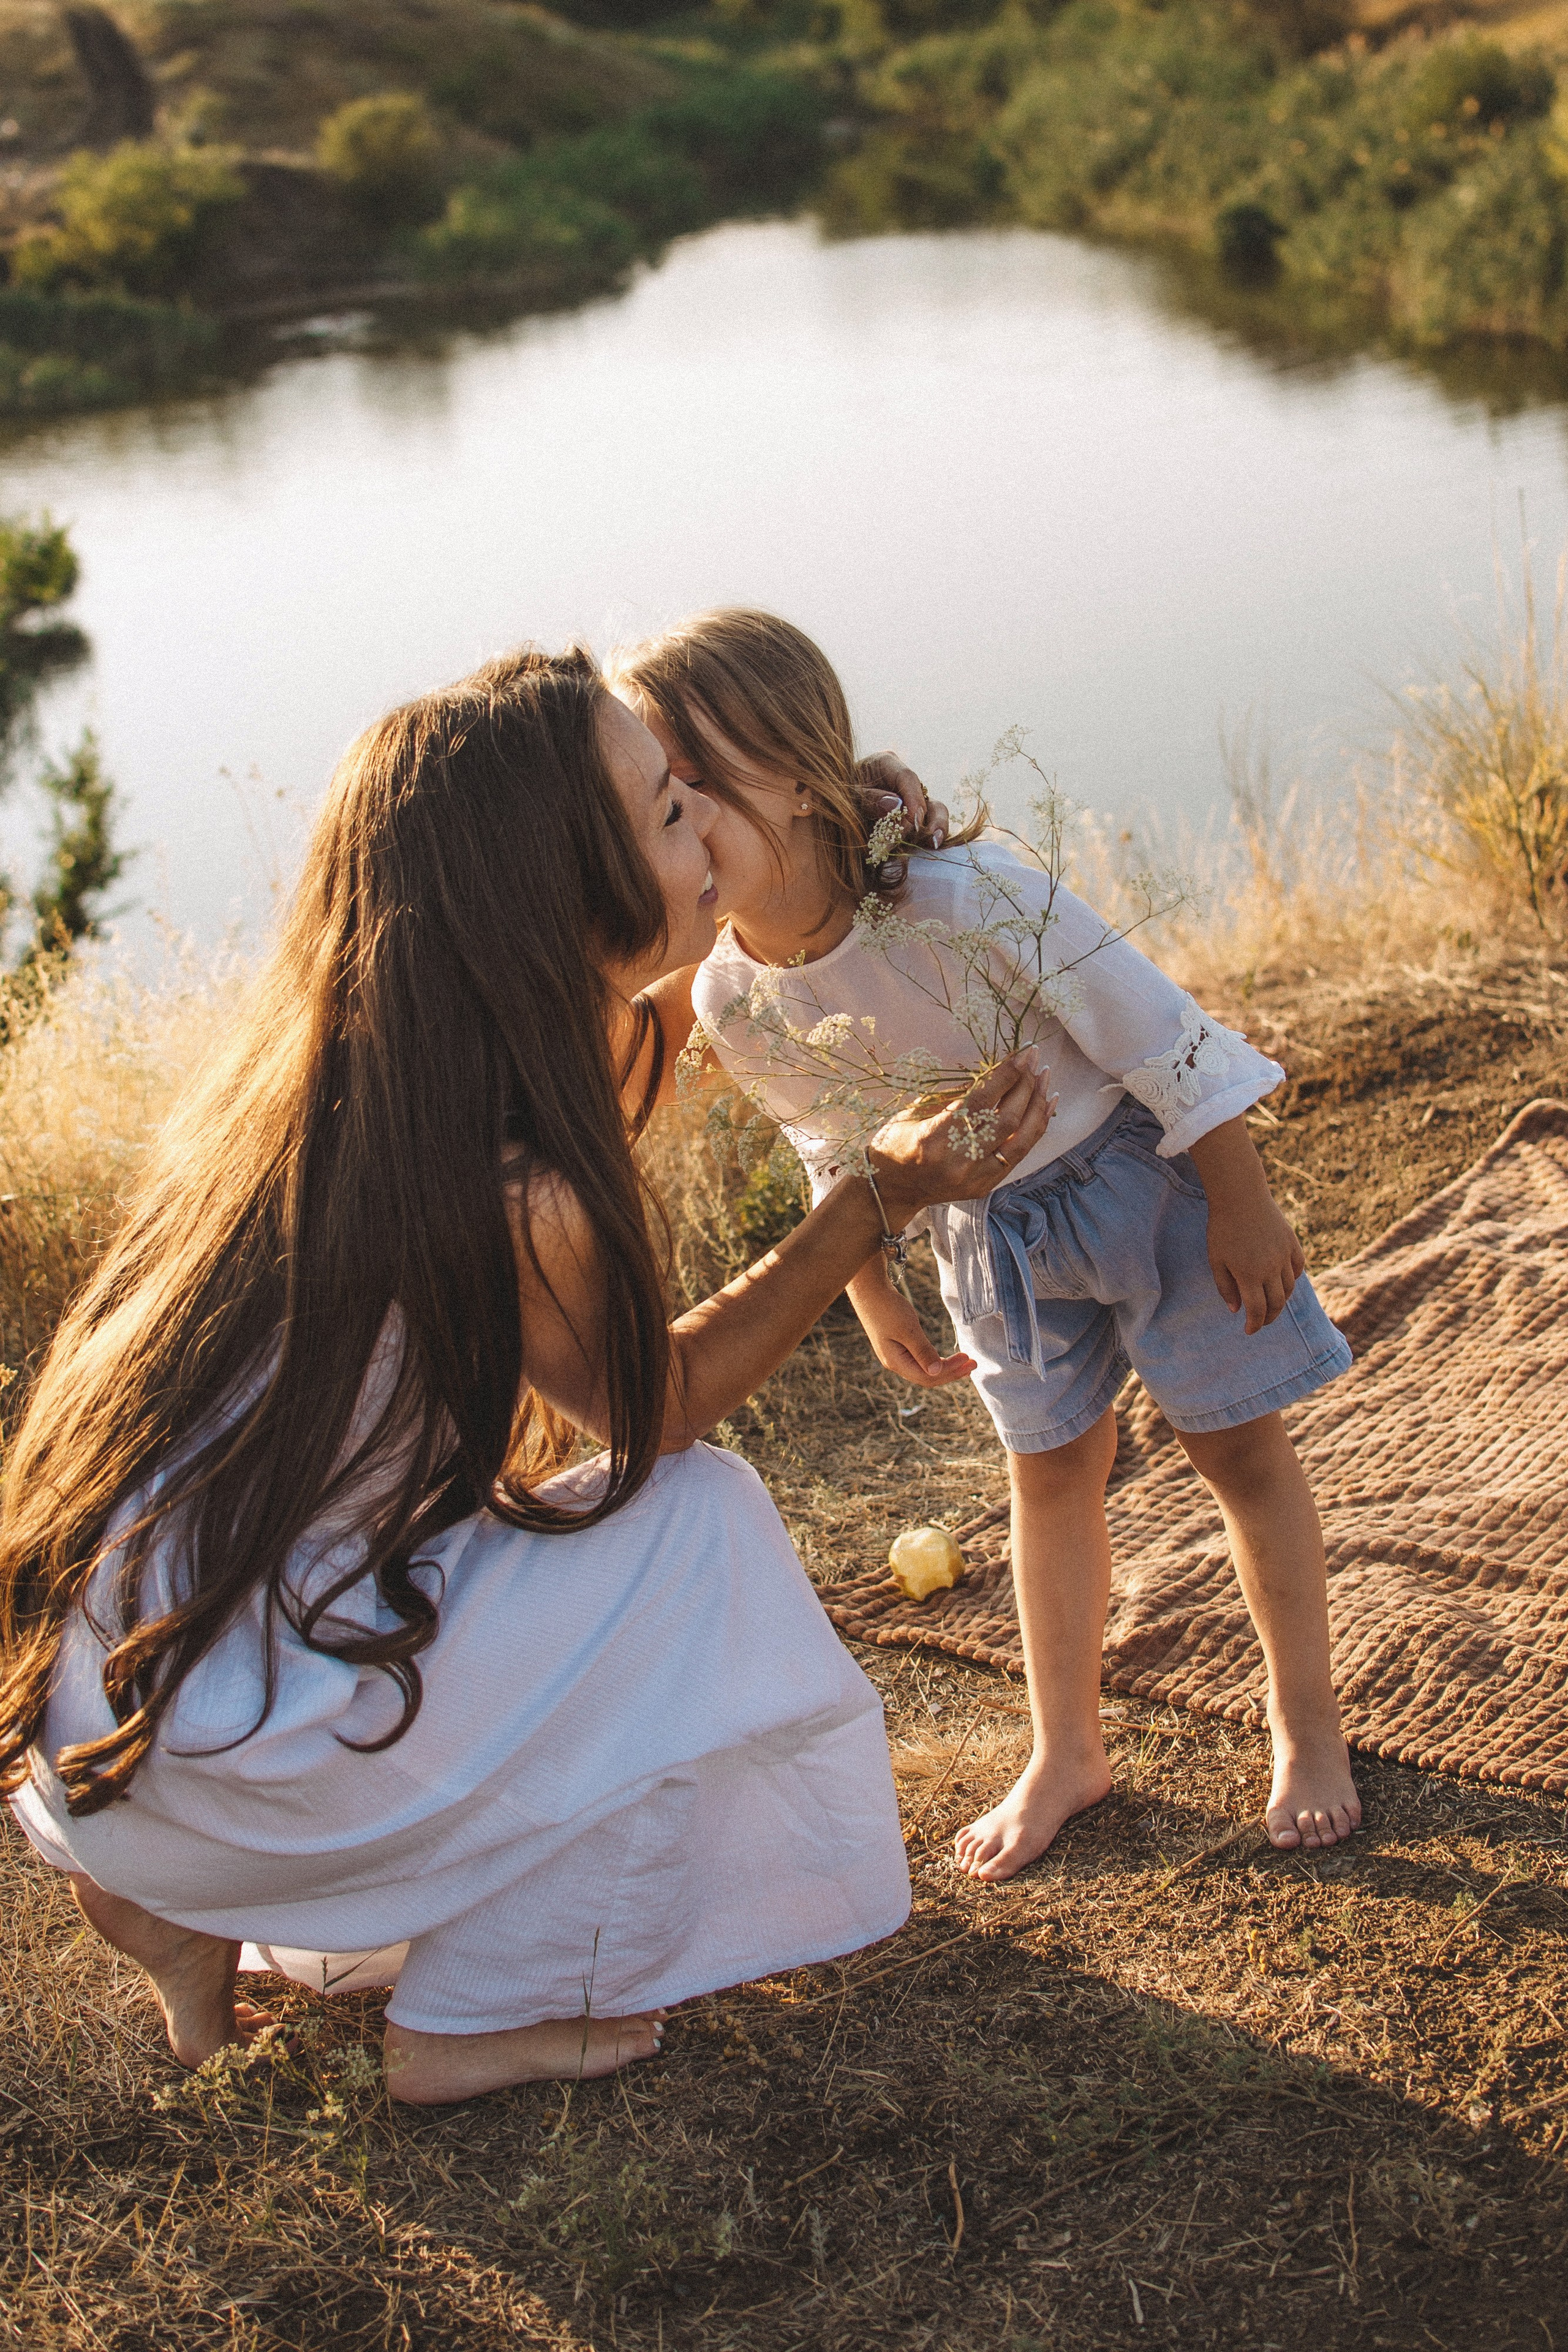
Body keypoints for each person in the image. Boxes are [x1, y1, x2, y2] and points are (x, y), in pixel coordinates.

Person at [0, 647, 1053, 2100]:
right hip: (241, 1727)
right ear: (558, 885)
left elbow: (647, 1035)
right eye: (668, 807)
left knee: (522, 1546)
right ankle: (475, 2012)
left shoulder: (344, 1074)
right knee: (702, 1530)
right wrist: (864, 1204)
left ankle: (170, 1911)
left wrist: (830, 837)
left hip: (116, 1710)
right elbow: (656, 1411)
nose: (697, 817)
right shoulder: (514, 1181)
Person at [608, 609, 1362, 1883]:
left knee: (1235, 1449)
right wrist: (865, 1288)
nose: (673, 825)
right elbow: (829, 1144)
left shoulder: (965, 901)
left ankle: (1306, 1723)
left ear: (797, 781)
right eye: (655, 801)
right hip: (984, 1234)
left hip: (1145, 1186)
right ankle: (1065, 1749)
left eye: (693, 789)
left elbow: (1159, 1036)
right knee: (1049, 1477)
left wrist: (1240, 1203)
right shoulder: (731, 992)